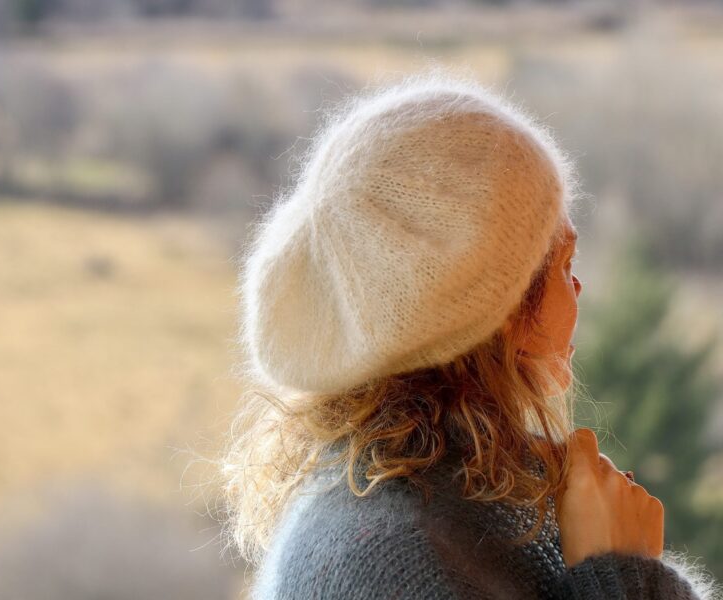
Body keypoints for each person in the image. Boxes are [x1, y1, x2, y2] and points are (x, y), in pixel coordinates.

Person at [220, 68, 719, 599]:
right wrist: (622, 573)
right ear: (495, 311)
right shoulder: (386, 559)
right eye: (562, 262)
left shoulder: (456, 506)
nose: (578, 290)